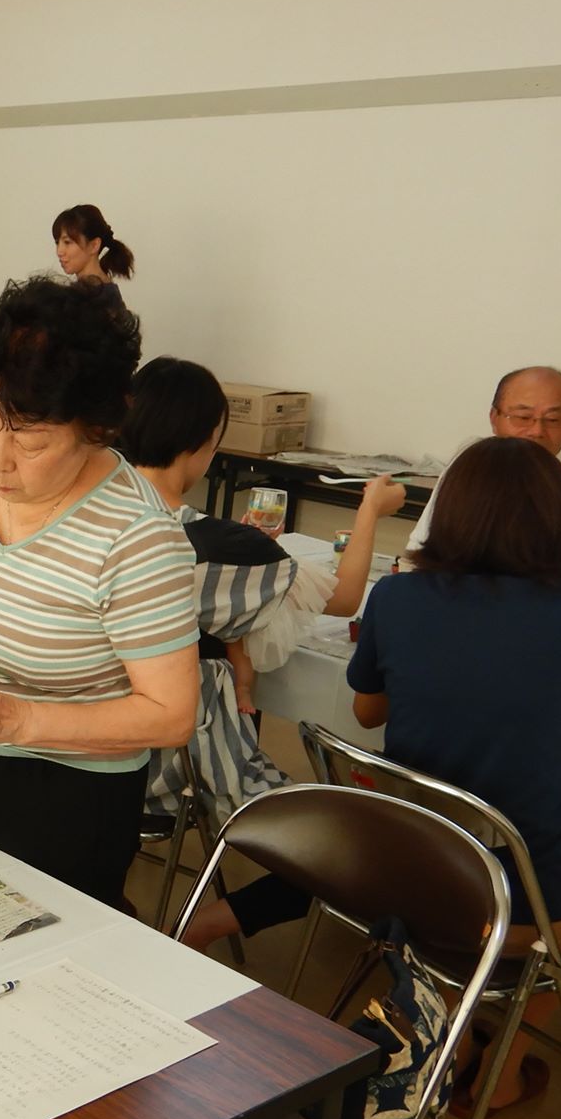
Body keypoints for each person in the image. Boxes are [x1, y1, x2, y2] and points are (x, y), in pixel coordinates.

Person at [349, 437, 561, 1109]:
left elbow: (367, 713)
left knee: (476, 853)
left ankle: (453, 1033)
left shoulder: (396, 594)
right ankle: (502, 1073)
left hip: (405, 874)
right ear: (560, 522)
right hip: (513, 904)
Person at [0, 277, 200, 904]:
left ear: (94, 429)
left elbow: (171, 714)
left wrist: (16, 719)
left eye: (31, 440)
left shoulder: (136, 537)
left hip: (66, 799)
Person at [117, 356, 405, 947]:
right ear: (205, 443)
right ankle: (196, 929)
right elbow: (345, 596)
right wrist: (370, 511)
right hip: (175, 764)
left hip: (91, 754)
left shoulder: (90, 517)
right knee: (355, 841)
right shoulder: (221, 545)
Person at [407, 366, 561, 554]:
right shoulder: (468, 465)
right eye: (523, 417)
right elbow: (420, 546)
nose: (536, 431)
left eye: (553, 420)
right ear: (494, 418)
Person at [51, 203, 134, 287]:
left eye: (67, 242)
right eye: (57, 242)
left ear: (94, 245)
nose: (59, 252)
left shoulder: (101, 293)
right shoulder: (89, 290)